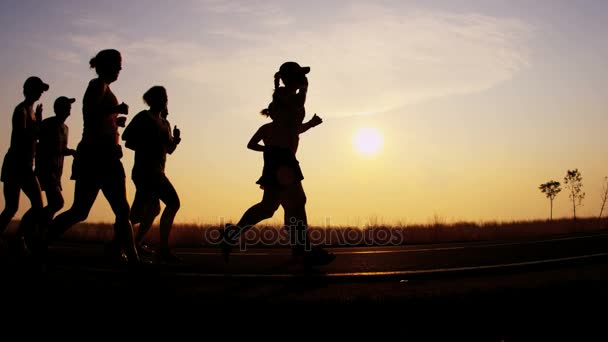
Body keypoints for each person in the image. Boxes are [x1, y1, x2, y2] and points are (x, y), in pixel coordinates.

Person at [222, 62, 335, 266]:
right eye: (300, 74)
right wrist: (304, 89)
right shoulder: (285, 98)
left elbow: (292, 129)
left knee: (269, 207)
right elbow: (288, 118)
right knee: (297, 202)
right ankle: (303, 249)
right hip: (281, 160)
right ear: (291, 78)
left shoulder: (289, 98)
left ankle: (232, 234)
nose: (304, 78)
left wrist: (309, 124)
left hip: (283, 159)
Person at [46, 49, 139, 264]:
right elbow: (92, 114)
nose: (120, 70)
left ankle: (131, 256)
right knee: (81, 211)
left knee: (121, 209)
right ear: (106, 66)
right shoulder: (96, 85)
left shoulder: (104, 89)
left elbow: (101, 119)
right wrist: (116, 109)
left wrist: (117, 121)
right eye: (117, 65)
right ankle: (41, 240)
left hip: (106, 155)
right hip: (96, 155)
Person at [122, 86, 181, 263]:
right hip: (145, 171)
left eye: (166, 97)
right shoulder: (143, 117)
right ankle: (159, 248)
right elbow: (127, 139)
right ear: (152, 100)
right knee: (172, 203)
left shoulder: (165, 123)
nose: (165, 101)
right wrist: (146, 144)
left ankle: (130, 242)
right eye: (162, 98)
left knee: (149, 210)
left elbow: (169, 150)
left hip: (158, 171)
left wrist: (176, 140)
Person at [0, 76, 48, 255]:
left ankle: (18, 238)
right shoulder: (20, 110)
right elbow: (23, 136)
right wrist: (38, 126)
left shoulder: (31, 111)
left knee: (35, 205)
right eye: (39, 89)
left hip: (25, 164)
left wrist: (38, 123)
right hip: (16, 164)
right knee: (13, 207)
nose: (41, 93)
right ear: (30, 89)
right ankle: (18, 239)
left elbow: (33, 136)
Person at [35, 96, 77, 224]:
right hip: (46, 170)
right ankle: (32, 228)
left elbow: (61, 149)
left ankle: (39, 232)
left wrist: (71, 152)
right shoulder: (47, 124)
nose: (70, 108)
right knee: (58, 203)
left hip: (57, 172)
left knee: (54, 204)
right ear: (59, 108)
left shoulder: (65, 128)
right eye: (67, 106)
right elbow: (40, 144)